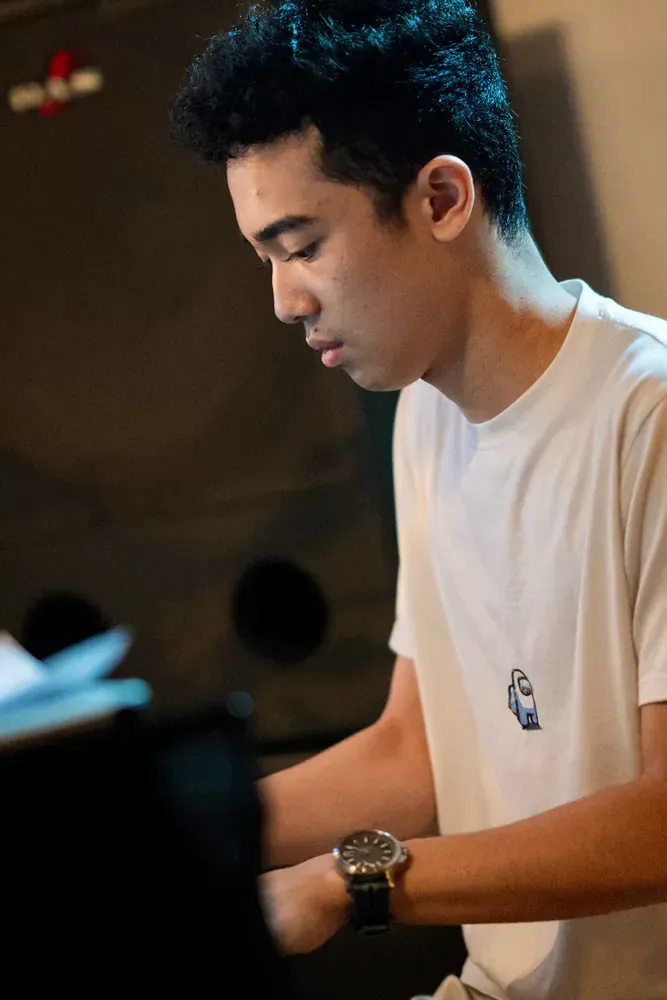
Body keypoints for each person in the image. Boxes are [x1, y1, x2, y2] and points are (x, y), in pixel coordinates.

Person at [169, 1, 667, 997]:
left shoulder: (645, 412)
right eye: (264, 256)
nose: (283, 299)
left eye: (300, 244)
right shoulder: (426, 412)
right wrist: (170, 827)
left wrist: (348, 883)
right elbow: (416, 748)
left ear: (442, 196)